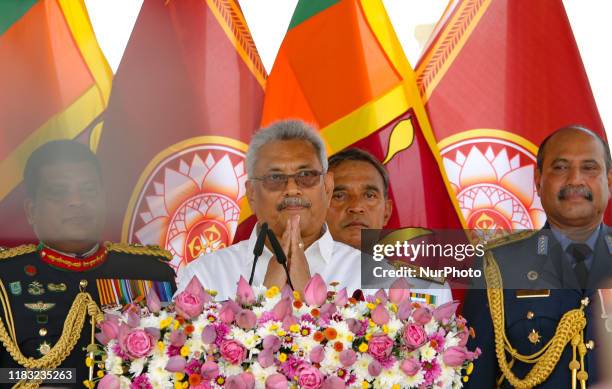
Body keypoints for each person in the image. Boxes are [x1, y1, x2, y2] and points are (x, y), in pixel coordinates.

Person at [0, 140, 176, 388]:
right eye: (59, 192)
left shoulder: (151, 273)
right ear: (31, 210)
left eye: (89, 190)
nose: (77, 202)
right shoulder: (5, 278)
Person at [463, 125, 612, 388]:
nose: (575, 179)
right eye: (561, 167)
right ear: (538, 179)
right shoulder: (497, 266)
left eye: (589, 167)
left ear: (609, 181)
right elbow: (476, 377)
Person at [176, 120, 375, 300]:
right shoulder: (204, 276)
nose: (291, 189)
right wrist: (264, 298)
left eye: (306, 175)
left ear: (328, 187)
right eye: (275, 178)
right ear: (252, 193)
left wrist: (311, 298)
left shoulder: (372, 277)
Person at [327, 147, 453, 306]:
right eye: (339, 196)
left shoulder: (430, 289)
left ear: (386, 212)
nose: (356, 206)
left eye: (369, 195)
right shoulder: (295, 279)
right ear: (318, 209)